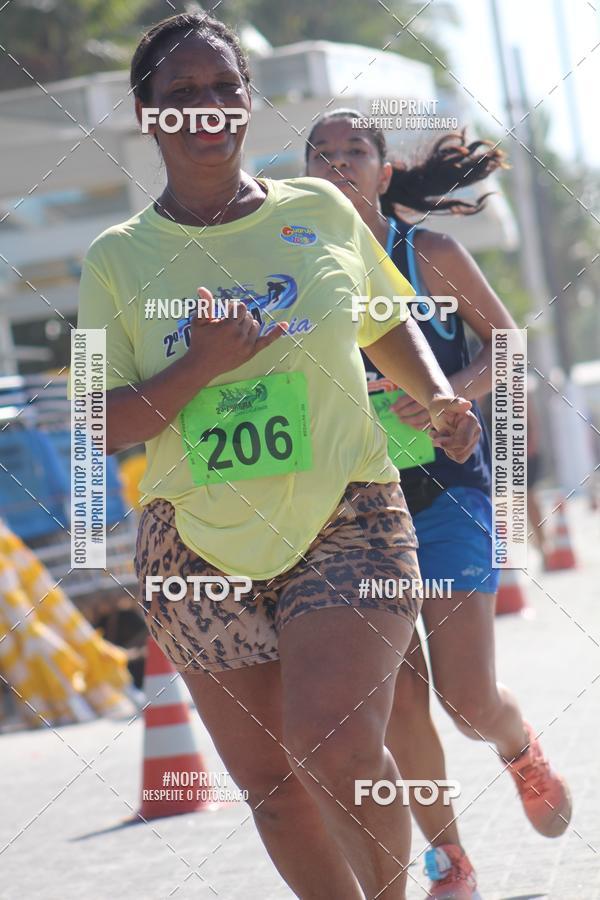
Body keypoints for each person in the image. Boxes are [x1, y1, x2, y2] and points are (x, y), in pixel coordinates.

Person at [75, 15, 481, 900]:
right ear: (147, 115)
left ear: (249, 101)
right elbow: (99, 425)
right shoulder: (117, 258)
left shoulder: (320, 210)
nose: (206, 107)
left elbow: (383, 318)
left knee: (335, 745)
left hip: (349, 515)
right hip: (195, 547)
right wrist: (203, 365)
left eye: (224, 87)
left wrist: (441, 400)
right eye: (180, 94)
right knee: (272, 789)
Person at [305, 110, 572, 898]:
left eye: (357, 150)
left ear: (385, 173)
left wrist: (448, 394)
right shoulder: (301, 276)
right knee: (396, 706)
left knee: (464, 699)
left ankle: (518, 745)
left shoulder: (428, 254)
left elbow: (507, 342)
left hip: (446, 493)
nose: (339, 162)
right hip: (352, 509)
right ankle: (450, 861)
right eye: (321, 153)